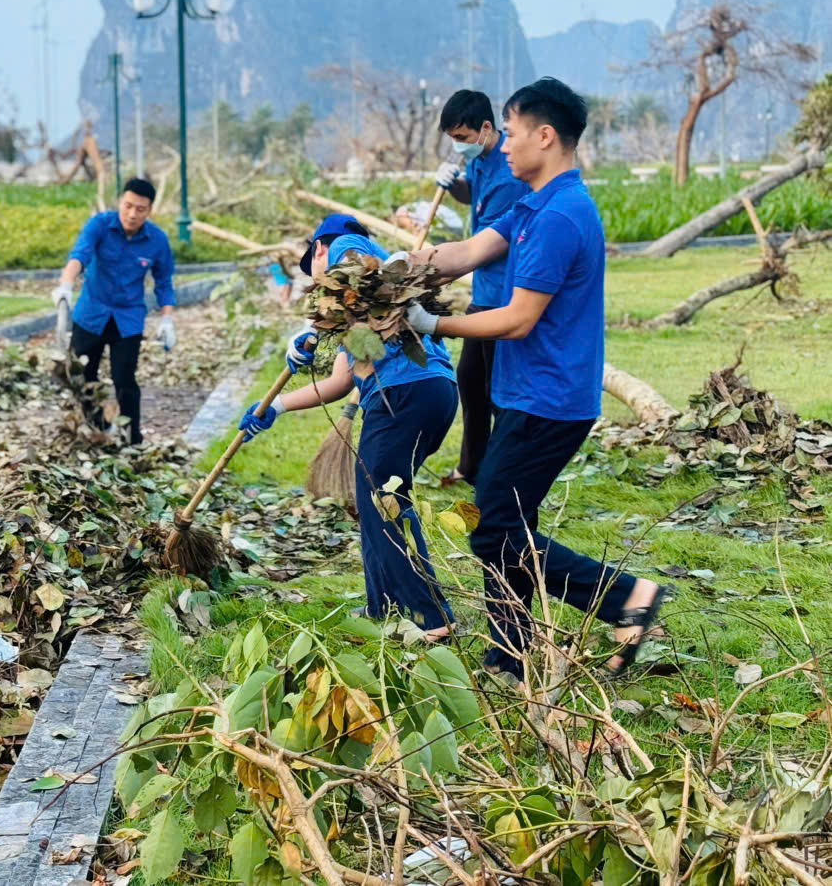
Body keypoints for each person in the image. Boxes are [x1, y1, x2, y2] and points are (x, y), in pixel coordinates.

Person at [407, 78, 665, 680]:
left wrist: (435, 324)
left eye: (512, 133)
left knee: (493, 527)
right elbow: (469, 252)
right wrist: (401, 267)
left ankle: (626, 597)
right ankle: (510, 653)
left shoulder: (561, 217)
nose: (503, 146)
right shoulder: (534, 204)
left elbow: (519, 319)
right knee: (509, 522)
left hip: (550, 399)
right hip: (526, 392)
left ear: (544, 136)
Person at [238, 216, 459, 639]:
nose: (318, 282)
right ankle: (384, 606)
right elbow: (340, 382)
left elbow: (348, 268)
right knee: (376, 498)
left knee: (384, 502)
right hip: (432, 393)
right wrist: (277, 406)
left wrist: (309, 329)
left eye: (314, 270)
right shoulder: (368, 307)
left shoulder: (347, 247)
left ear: (320, 247)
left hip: (404, 394)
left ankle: (431, 618)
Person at [433, 90, 530, 486]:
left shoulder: (510, 174)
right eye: (452, 139)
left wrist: (437, 270)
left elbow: (487, 243)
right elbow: (471, 193)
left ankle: (508, 474)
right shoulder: (481, 158)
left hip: (503, 294)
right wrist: (452, 183)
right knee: (471, 382)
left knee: (496, 391)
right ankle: (472, 467)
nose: (458, 145)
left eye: (461, 137)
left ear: (486, 128)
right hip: (484, 290)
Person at [53, 177, 176, 445]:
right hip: (91, 314)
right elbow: (80, 255)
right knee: (81, 376)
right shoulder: (99, 225)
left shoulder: (157, 240)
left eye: (140, 209)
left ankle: (132, 439)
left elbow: (164, 283)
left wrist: (167, 320)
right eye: (128, 206)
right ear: (120, 202)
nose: (132, 214)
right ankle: (97, 427)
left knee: (124, 380)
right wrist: (65, 285)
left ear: (149, 210)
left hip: (128, 319)